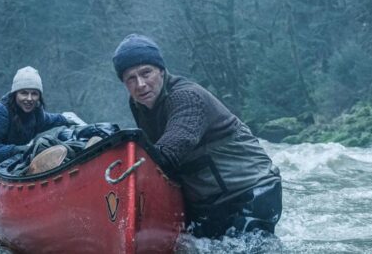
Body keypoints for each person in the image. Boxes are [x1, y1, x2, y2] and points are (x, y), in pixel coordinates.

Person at [112, 34, 283, 238]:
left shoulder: (187, 97)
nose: (140, 84)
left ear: (161, 70)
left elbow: (167, 154)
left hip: (250, 191)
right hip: (210, 201)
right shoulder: (139, 104)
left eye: (146, 73)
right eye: (131, 78)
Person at [0, 66, 81, 176]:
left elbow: (51, 119)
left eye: (34, 93)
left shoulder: (36, 113)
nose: (29, 98)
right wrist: (21, 150)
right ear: (15, 94)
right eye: (24, 92)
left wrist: (67, 119)